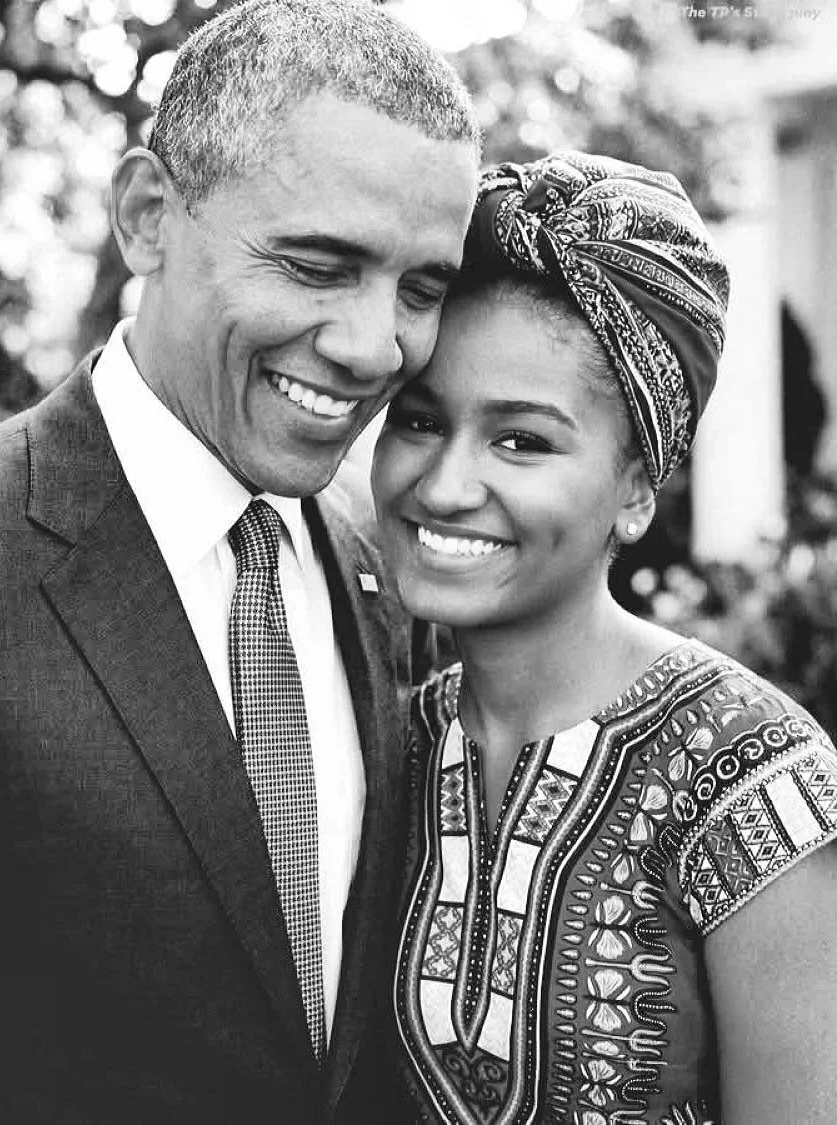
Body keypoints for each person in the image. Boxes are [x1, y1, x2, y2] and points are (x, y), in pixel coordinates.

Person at [0, 2, 480, 1120]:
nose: (378, 347)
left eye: (421, 288)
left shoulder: (375, 575)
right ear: (147, 215)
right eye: (320, 264)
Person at [372, 152, 837, 1124]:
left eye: (522, 441)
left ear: (636, 491)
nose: (446, 485)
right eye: (421, 420)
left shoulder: (757, 778)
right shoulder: (389, 746)